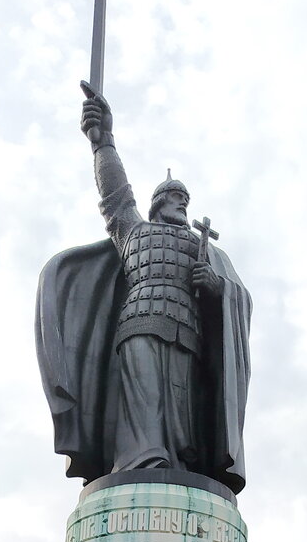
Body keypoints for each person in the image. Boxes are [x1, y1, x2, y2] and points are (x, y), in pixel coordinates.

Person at [35, 87, 252, 494]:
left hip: (187, 333)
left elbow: (237, 301)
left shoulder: (206, 249)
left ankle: (179, 460)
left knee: (182, 418)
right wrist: (104, 143)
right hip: (139, 322)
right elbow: (114, 196)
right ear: (156, 203)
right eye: (174, 196)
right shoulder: (133, 230)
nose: (181, 202)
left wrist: (216, 288)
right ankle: (142, 459)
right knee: (144, 405)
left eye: (185, 198)